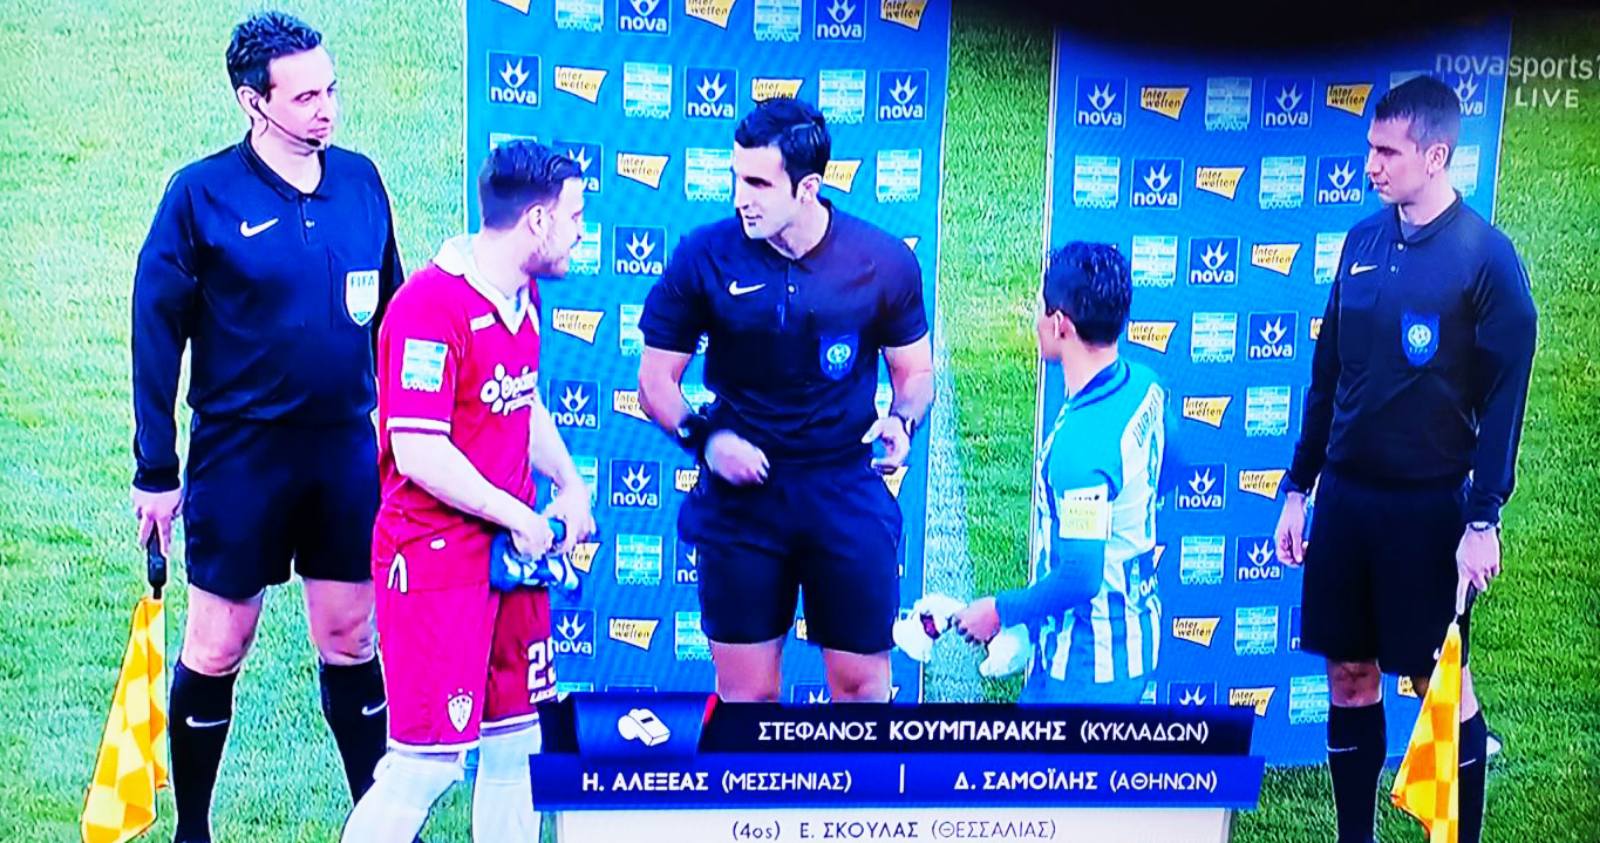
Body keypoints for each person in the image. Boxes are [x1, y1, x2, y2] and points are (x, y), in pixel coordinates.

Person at [129, 11, 404, 841]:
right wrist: (156, 469)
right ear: (254, 102)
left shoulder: (361, 181)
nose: (327, 108)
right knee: (219, 642)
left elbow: (392, 319)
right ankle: (194, 829)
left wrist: (409, 435)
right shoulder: (200, 194)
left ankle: (379, 822)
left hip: (344, 450)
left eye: (332, 89)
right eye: (306, 96)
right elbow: (155, 330)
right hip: (241, 456)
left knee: (351, 635)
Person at [1273, 75, 1537, 843]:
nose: (1371, 165)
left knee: (1438, 682)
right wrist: (1299, 485)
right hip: (1348, 501)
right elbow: (1329, 373)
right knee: (1349, 675)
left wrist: (1482, 520)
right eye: (1370, 148)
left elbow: (1506, 403)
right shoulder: (1361, 242)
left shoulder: (1487, 259)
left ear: (1436, 155)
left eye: (1388, 151)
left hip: (1428, 508)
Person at [637, 98, 935, 703]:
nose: (740, 198)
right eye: (735, 178)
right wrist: (707, 441)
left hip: (843, 489)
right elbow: (654, 382)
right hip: (742, 502)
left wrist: (903, 420)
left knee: (863, 690)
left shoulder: (883, 261)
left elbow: (916, 371)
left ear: (808, 188)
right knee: (747, 701)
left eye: (757, 184)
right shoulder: (704, 255)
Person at [340, 140, 596, 842]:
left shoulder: (521, 294)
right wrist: (520, 515)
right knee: (424, 766)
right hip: (435, 561)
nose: (583, 231)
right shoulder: (429, 307)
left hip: (508, 559)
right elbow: (418, 449)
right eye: (575, 215)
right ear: (537, 221)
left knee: (519, 744)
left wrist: (569, 482)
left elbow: (519, 398)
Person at [951, 242, 1169, 704]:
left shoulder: (1080, 449)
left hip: (1085, 668)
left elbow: (1080, 576)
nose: (1035, 320)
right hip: (1134, 637)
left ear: (1059, 323)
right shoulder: (1145, 385)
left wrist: (1001, 610)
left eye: (1039, 307)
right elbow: (1174, 462)